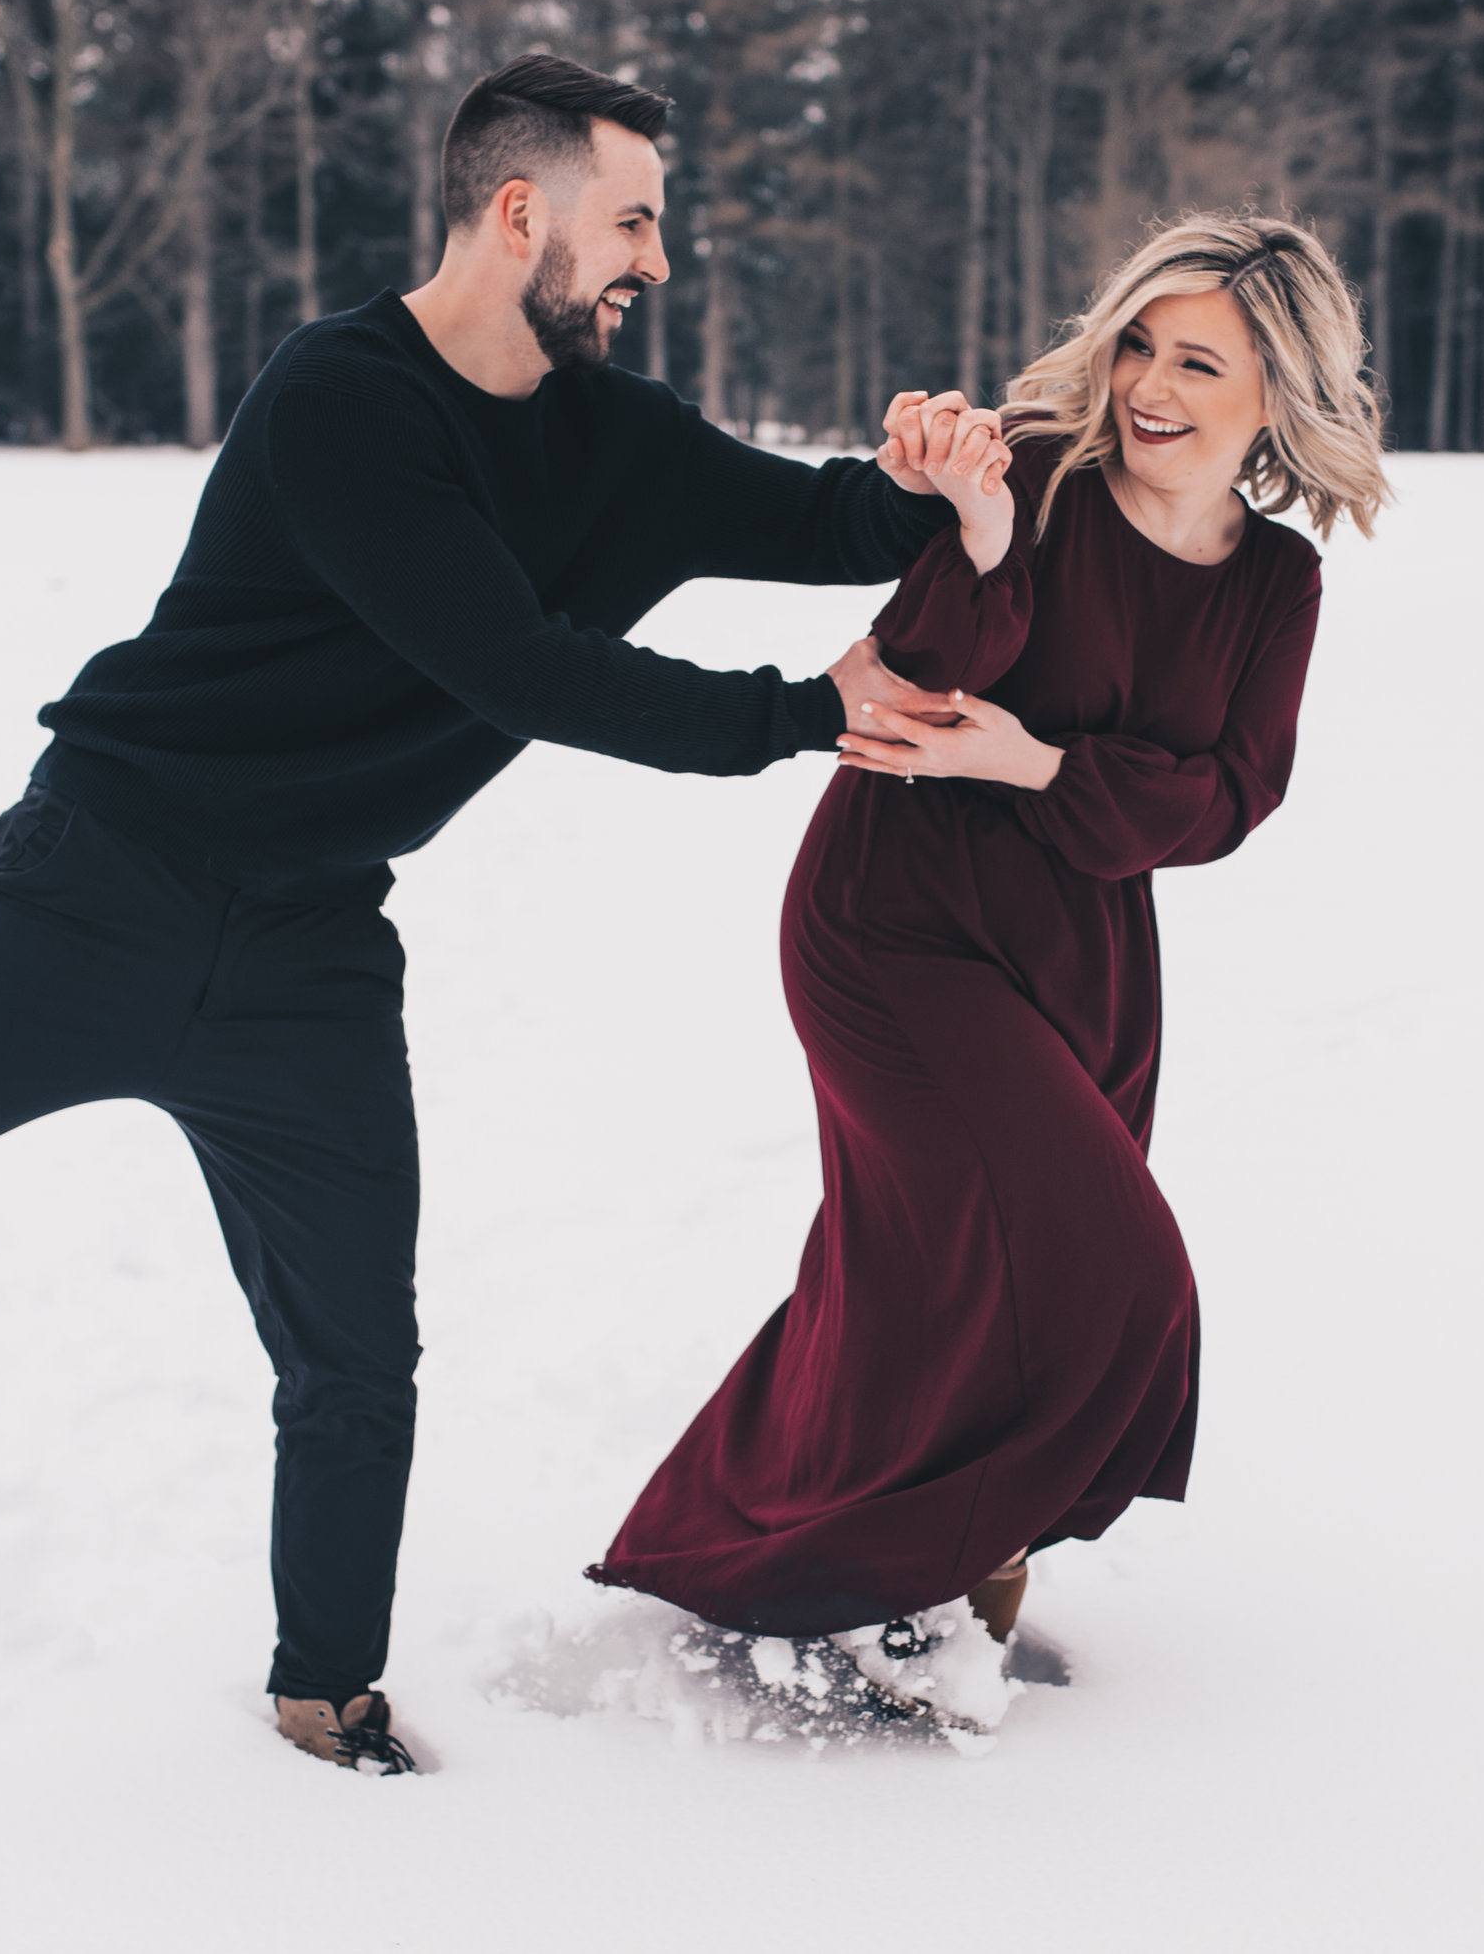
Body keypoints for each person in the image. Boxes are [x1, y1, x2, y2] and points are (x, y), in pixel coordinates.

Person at [0, 52, 979, 1774]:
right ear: (523, 210)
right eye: (635, 218)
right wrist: (801, 713)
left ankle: (325, 1696)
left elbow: (829, 514)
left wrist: (953, 461)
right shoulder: (341, 395)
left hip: (308, 959)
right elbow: (508, 658)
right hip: (89, 889)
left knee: (355, 1356)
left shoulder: (617, 438)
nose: (660, 258)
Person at [590, 213, 1391, 1720]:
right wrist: (978, 532)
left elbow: (1230, 795)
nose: (1150, 382)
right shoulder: (1031, 467)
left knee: (926, 1267)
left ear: (1275, 394)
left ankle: (869, 1572)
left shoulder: (1275, 581)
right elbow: (907, 693)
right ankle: (908, 1565)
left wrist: (1040, 762)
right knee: (1107, 1263)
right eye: (1139, 342)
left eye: (1197, 360)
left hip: (1082, 948)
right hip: (892, 916)